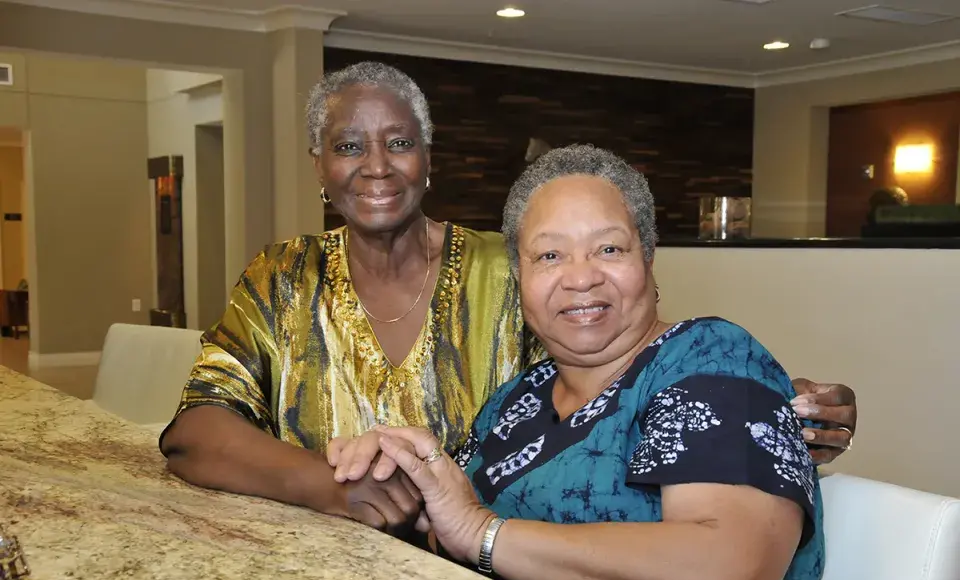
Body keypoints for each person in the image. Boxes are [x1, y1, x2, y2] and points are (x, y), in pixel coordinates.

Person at [159, 61, 856, 539]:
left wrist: (753, 405)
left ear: (427, 157)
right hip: (316, 555)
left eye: (399, 142)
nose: (376, 166)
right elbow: (195, 431)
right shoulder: (282, 275)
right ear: (319, 163)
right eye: (348, 146)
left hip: (491, 570)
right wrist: (334, 489)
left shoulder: (510, 266)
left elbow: (619, 370)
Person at [365, 144, 827, 580]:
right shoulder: (517, 400)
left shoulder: (711, 361)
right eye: (549, 255)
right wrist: (396, 475)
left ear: (648, 257)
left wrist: (484, 534)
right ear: (520, 278)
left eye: (609, 249)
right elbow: (448, 530)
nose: (581, 277)